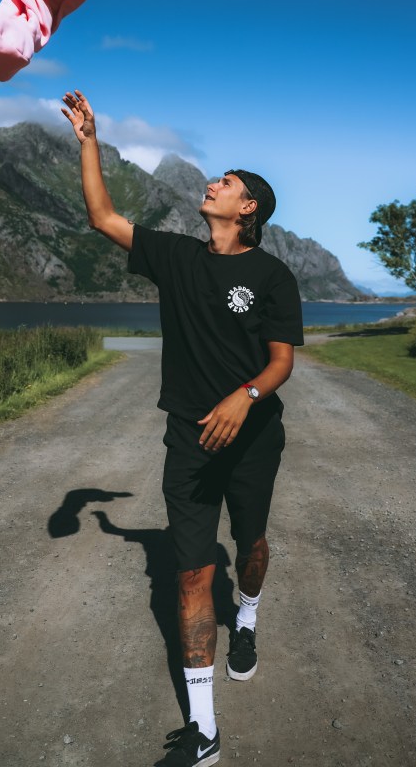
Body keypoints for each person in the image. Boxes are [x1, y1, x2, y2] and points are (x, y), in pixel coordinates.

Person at [61, 89, 304, 767]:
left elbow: (281, 361)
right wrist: (89, 139)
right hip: (187, 439)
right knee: (192, 572)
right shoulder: (175, 256)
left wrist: (243, 397)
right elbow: (102, 216)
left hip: (254, 439)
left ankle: (247, 615)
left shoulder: (273, 275)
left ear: (248, 208)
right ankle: (203, 731)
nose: (212, 185)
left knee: (250, 545)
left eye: (225, 183)